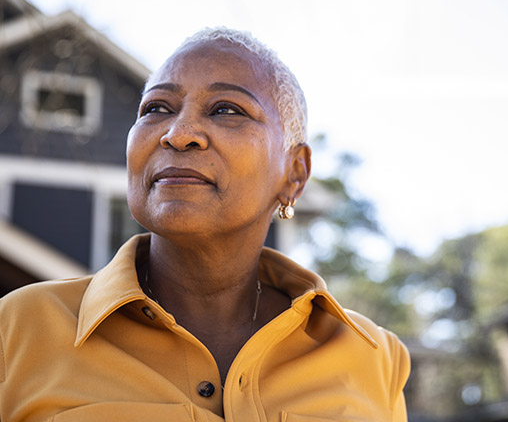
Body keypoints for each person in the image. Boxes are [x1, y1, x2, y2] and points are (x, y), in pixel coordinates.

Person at [0, 27, 410, 421]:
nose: (178, 134)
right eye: (157, 109)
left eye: (226, 110)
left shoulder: (375, 358)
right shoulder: (17, 331)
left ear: (295, 174)